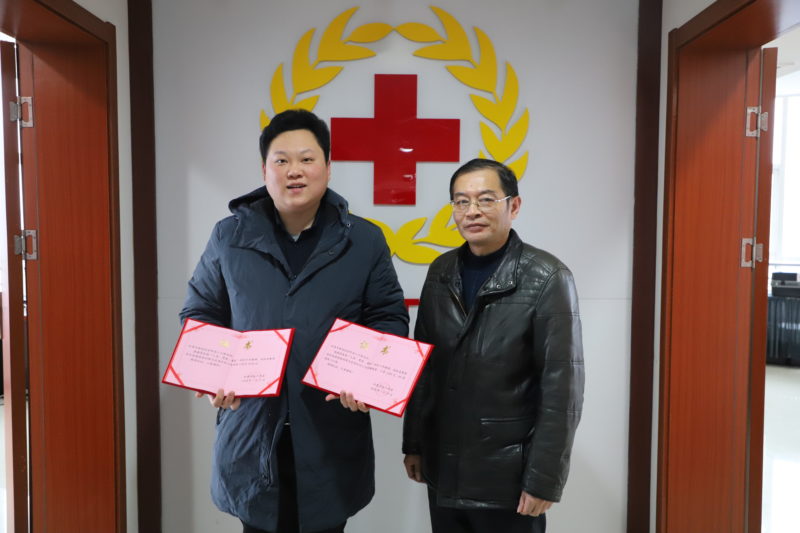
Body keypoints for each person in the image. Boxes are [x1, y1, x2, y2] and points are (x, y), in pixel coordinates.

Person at [180, 109, 409, 533]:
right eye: (281, 160)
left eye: (307, 159)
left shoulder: (364, 240)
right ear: (264, 170)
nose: (294, 171)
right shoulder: (229, 236)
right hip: (251, 429)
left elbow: (388, 316)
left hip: (330, 430)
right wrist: (212, 374)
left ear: (328, 166)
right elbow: (200, 312)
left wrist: (369, 379)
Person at [402, 158, 584, 533]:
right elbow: (425, 367)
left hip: (508, 477)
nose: (472, 211)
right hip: (444, 467)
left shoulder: (547, 277)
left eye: (486, 199)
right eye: (461, 201)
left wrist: (544, 479)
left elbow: (562, 388)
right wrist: (414, 443)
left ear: (513, 206)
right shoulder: (440, 272)